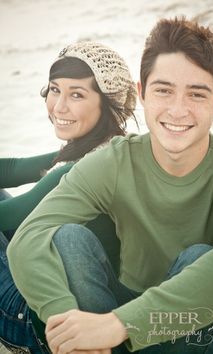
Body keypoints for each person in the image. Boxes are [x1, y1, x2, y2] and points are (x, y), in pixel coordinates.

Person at [7, 16, 213, 354]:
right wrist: (66, 320)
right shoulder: (113, 161)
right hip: (108, 318)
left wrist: (121, 325)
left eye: (197, 95)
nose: (177, 110)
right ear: (142, 93)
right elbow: (29, 235)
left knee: (199, 257)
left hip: (192, 322)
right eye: (163, 90)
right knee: (68, 239)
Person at [0, 40, 136, 353]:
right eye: (54, 89)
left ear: (106, 102)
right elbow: (14, 168)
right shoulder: (108, 145)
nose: (58, 106)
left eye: (76, 94)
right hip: (81, 305)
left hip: (48, 326)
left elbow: (6, 218)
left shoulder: (79, 170)